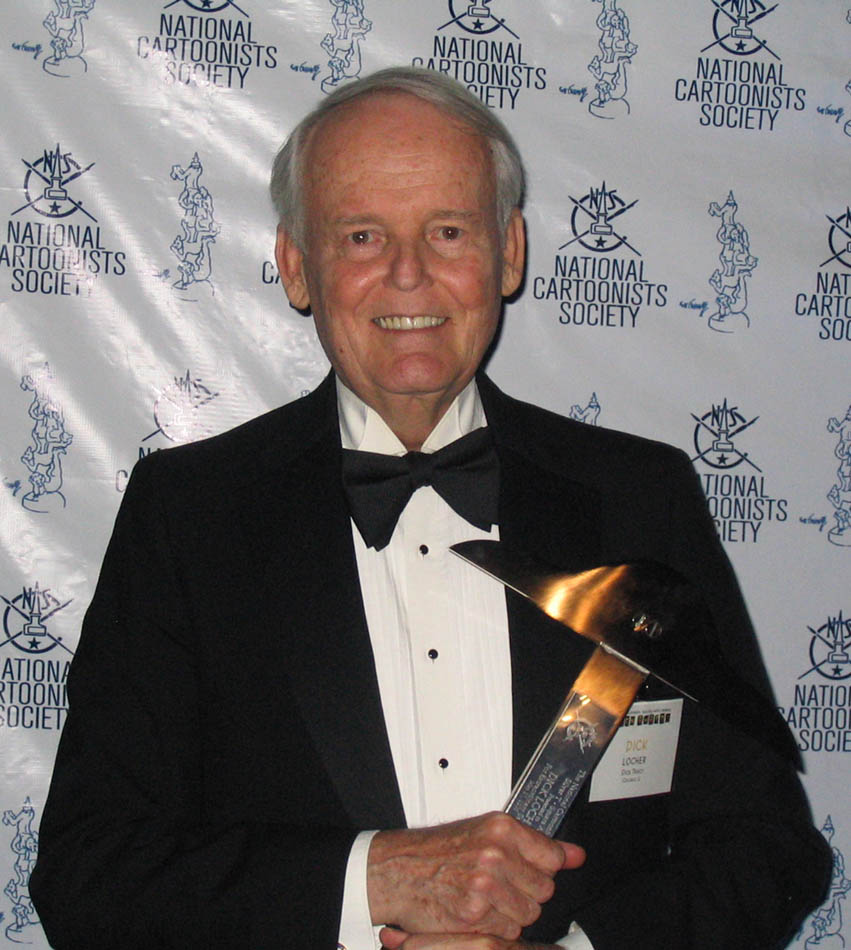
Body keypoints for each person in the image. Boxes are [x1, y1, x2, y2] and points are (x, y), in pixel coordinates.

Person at [31, 67, 829, 950]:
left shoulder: (640, 496)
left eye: (448, 231)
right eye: (361, 236)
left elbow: (766, 847)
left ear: (509, 252)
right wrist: (376, 877)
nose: (408, 275)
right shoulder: (189, 516)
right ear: (296, 266)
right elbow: (90, 875)